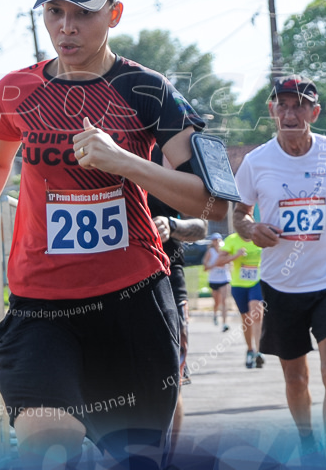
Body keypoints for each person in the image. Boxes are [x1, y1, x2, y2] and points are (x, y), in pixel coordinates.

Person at [0, 0, 228, 468]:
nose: (66, 27)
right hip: (41, 309)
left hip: (131, 305)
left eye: (83, 13)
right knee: (47, 448)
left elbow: (207, 200)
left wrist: (124, 161)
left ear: (114, 15)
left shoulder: (147, 90)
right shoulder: (18, 90)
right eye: (55, 12)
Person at [232, 75, 326, 453]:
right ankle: (308, 441)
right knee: (296, 377)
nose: (290, 113)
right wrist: (251, 229)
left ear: (314, 111)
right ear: (272, 111)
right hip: (281, 284)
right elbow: (239, 214)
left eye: (298, 105)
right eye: (282, 105)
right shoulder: (256, 161)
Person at [147, 154, 208, 463]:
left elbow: (202, 224)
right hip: (115, 283)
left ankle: (168, 458)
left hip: (169, 280)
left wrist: (172, 224)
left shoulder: (176, 159)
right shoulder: (113, 151)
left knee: (172, 377)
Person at [217, 231, 264, 368]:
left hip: (257, 282)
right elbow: (219, 261)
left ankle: (259, 351)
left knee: (257, 314)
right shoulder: (232, 240)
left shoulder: (260, 237)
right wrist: (235, 256)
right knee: (246, 318)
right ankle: (250, 349)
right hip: (239, 285)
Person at [202, 234, 231, 331]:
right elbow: (205, 268)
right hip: (214, 279)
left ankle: (225, 323)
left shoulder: (225, 250)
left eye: (218, 240)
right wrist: (215, 264)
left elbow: (230, 261)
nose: (217, 242)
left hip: (224, 278)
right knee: (217, 302)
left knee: (224, 301)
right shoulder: (210, 252)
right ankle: (215, 314)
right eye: (215, 240)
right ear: (212, 242)